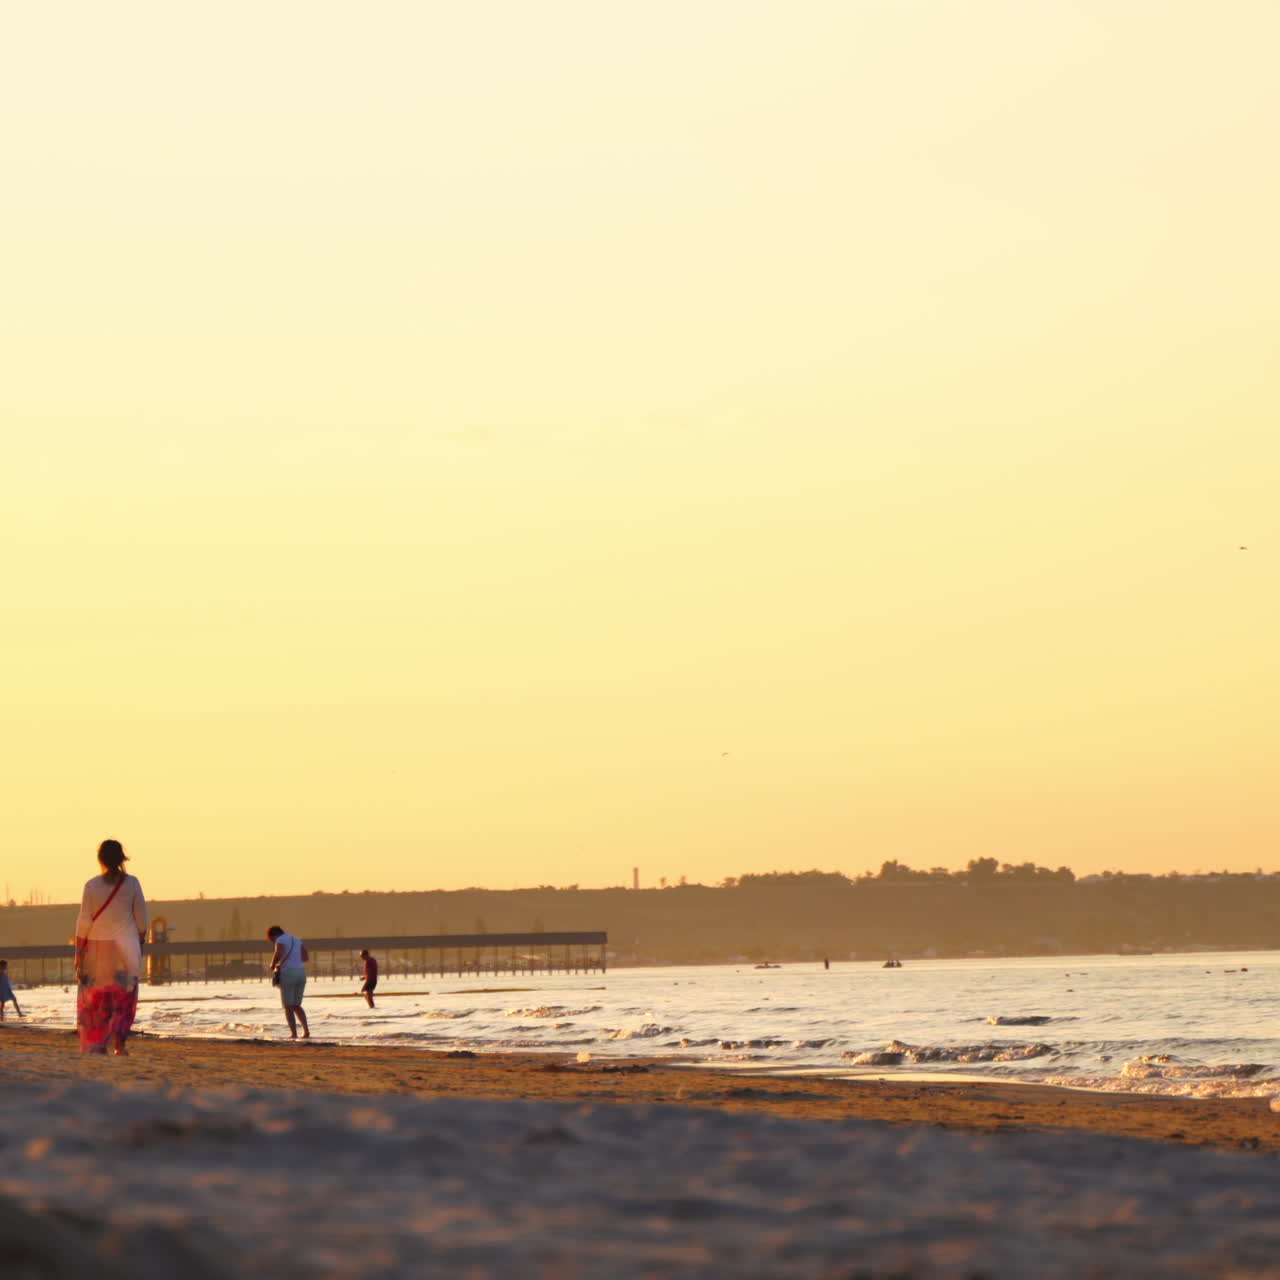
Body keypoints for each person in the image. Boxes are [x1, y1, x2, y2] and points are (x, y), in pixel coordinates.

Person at [74, 839, 148, 1055]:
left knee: (98, 998)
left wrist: (79, 951)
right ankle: (120, 1045)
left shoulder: (91, 886)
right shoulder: (132, 883)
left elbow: (84, 921)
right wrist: (139, 942)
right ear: (121, 859)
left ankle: (98, 1044)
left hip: (97, 949)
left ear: (101, 860)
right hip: (126, 948)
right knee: (123, 998)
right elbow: (142, 918)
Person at [267, 924, 309, 1039]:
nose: (272, 942)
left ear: (273, 935)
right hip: (301, 973)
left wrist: (273, 964)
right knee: (297, 1005)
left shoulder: (280, 940)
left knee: (288, 1006)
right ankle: (306, 1031)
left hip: (288, 973)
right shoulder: (296, 939)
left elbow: (278, 953)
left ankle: (294, 1034)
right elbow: (305, 957)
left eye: (271, 940)